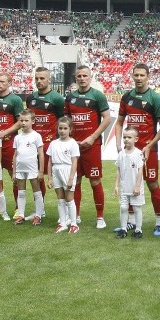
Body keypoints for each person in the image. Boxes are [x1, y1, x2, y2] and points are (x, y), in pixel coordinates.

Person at [114, 63, 160, 236]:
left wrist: (149, 145)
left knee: (152, 183)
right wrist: (117, 143)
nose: (138, 78)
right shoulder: (127, 97)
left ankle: (159, 222)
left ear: (147, 77)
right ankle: (130, 222)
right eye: (136, 75)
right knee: (128, 184)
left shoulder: (155, 98)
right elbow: (120, 122)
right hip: (130, 151)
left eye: (141, 75)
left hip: (148, 150)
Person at [65, 65, 112, 229]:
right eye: (79, 76)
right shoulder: (70, 98)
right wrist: (69, 140)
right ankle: (75, 214)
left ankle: (100, 217)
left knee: (95, 181)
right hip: (74, 148)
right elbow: (66, 121)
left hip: (92, 146)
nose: (82, 78)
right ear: (76, 78)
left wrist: (92, 137)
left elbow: (107, 118)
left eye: (85, 75)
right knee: (75, 181)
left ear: (90, 78)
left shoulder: (97, 96)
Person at [26, 67, 66, 218]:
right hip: (34, 145)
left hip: (51, 145)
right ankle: (39, 211)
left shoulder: (57, 98)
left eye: (42, 78)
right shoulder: (31, 98)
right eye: (37, 78)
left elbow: (62, 121)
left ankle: (66, 212)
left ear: (49, 79)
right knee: (36, 177)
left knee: (58, 178)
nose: (39, 81)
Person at [0, 72, 23, 214]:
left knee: (14, 175)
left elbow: (20, 122)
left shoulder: (15, 100)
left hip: (9, 143)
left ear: (9, 83)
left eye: (2, 81)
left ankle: (18, 208)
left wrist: (4, 133)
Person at [45, 116, 80, 234]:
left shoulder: (73, 143)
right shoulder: (53, 143)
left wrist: (71, 178)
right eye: (60, 128)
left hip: (67, 170)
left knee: (69, 198)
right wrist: (49, 178)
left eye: (65, 128)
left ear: (70, 129)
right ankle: (63, 223)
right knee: (60, 198)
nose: (62, 131)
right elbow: (49, 161)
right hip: (56, 170)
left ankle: (74, 223)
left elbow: (74, 162)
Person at [11, 110, 45, 225]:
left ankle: (38, 215)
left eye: (26, 120)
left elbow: (41, 154)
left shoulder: (36, 136)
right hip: (20, 169)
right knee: (21, 192)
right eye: (21, 120)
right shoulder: (18, 138)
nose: (24, 123)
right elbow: (15, 155)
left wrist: (41, 171)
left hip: (32, 169)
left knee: (36, 191)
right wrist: (14, 172)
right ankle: (21, 215)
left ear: (33, 121)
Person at [114, 126, 145, 239]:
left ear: (136, 139)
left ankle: (138, 230)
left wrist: (137, 186)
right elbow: (118, 169)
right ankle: (123, 229)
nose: (126, 139)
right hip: (124, 187)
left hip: (135, 187)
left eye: (129, 137)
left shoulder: (138, 153)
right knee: (123, 207)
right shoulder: (121, 154)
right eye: (124, 137)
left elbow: (140, 170)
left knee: (137, 208)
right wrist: (116, 185)